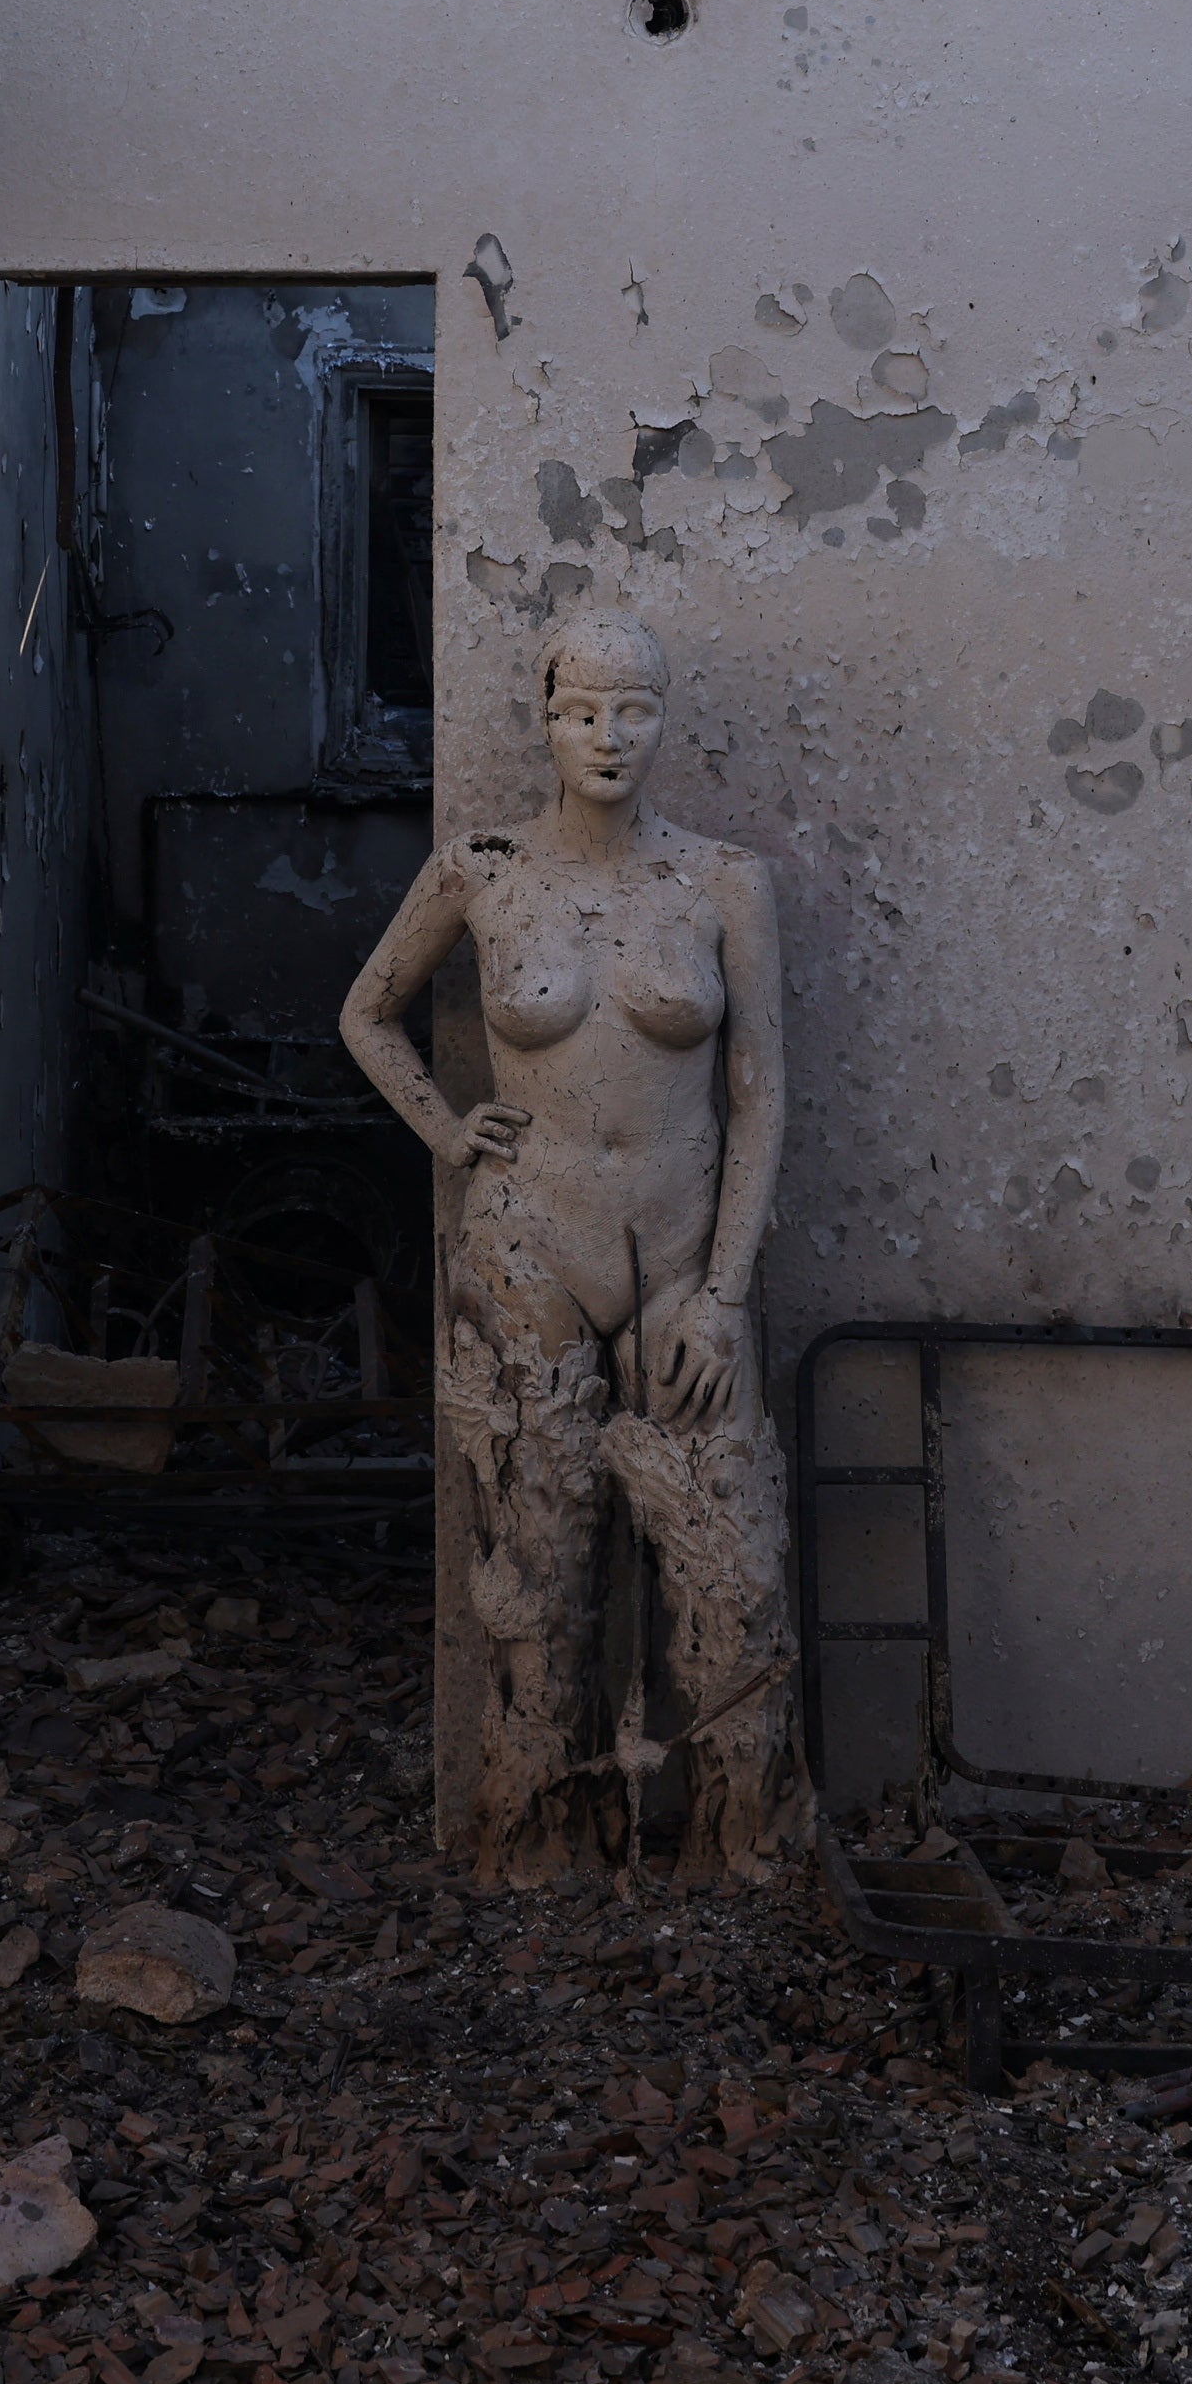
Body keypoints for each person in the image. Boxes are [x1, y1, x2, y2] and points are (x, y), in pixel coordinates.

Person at [341, 605, 803, 1878]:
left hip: (678, 1254)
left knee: (731, 1573)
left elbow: (761, 1091)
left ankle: (743, 1848)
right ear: (544, 718)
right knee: (532, 1577)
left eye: (636, 707)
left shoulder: (719, 881)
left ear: (665, 717)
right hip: (522, 1246)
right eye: (582, 708)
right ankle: (536, 1846)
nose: (610, 735)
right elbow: (367, 1011)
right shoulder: (480, 870)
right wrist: (445, 1129)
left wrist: (726, 1291)